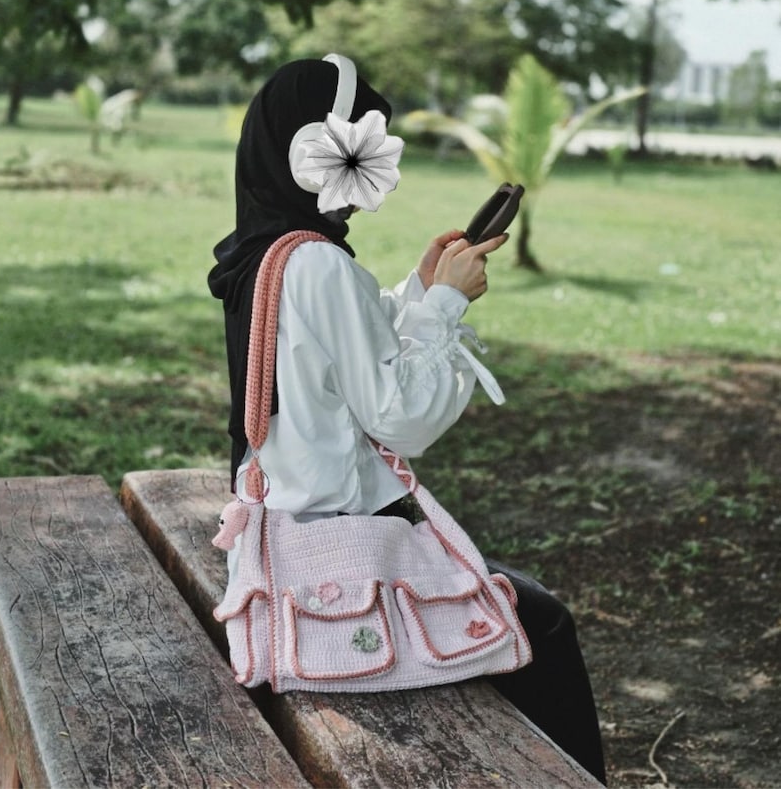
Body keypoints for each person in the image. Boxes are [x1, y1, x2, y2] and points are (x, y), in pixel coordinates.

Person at [208, 55, 607, 785]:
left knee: (525, 613)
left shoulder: (263, 254)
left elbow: (337, 346)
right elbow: (401, 418)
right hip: (340, 552)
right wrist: (446, 305)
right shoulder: (319, 264)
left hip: (280, 535)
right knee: (544, 623)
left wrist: (421, 286)